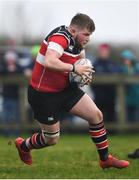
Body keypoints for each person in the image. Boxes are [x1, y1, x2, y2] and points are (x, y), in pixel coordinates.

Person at [15, 13, 129, 169]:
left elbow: (81, 58)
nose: (88, 38)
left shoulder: (78, 41)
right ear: (74, 31)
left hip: (66, 89)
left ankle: (105, 159)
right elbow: (50, 61)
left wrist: (85, 73)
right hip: (43, 94)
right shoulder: (59, 37)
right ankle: (24, 146)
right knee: (51, 139)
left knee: (96, 115)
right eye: (86, 34)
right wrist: (75, 68)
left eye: (91, 35)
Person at [91, 44, 119, 122]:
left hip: (111, 97)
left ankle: (113, 132)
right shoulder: (95, 64)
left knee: (111, 116)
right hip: (99, 97)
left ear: (108, 52)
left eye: (105, 51)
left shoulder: (113, 64)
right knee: (99, 117)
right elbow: (91, 80)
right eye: (102, 51)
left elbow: (118, 78)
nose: (103, 53)